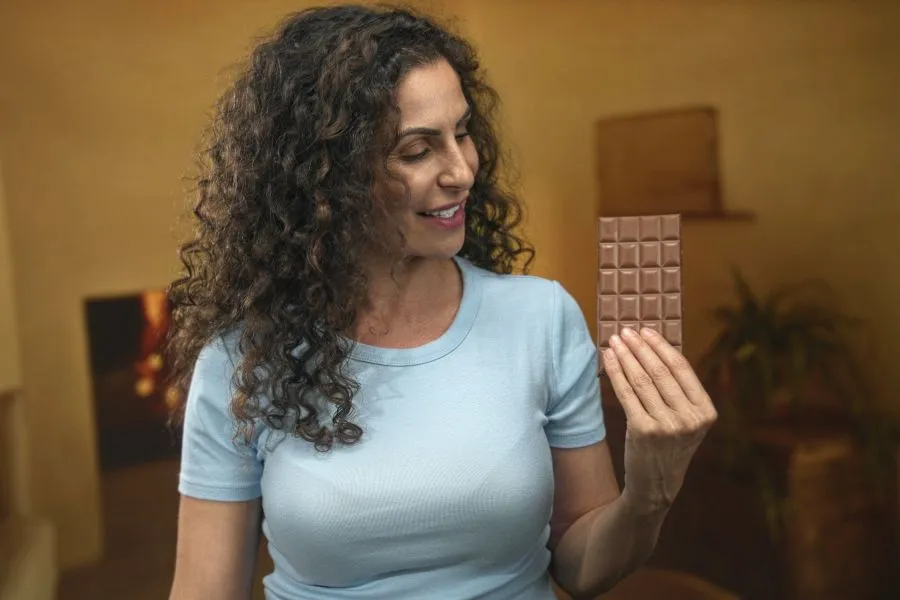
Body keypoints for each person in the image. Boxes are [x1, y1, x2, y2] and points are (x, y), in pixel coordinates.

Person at [165, 5, 718, 600]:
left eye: (463, 132)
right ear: (326, 177)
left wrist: (648, 494)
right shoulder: (242, 361)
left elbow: (584, 569)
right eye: (417, 150)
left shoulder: (542, 319)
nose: (462, 171)